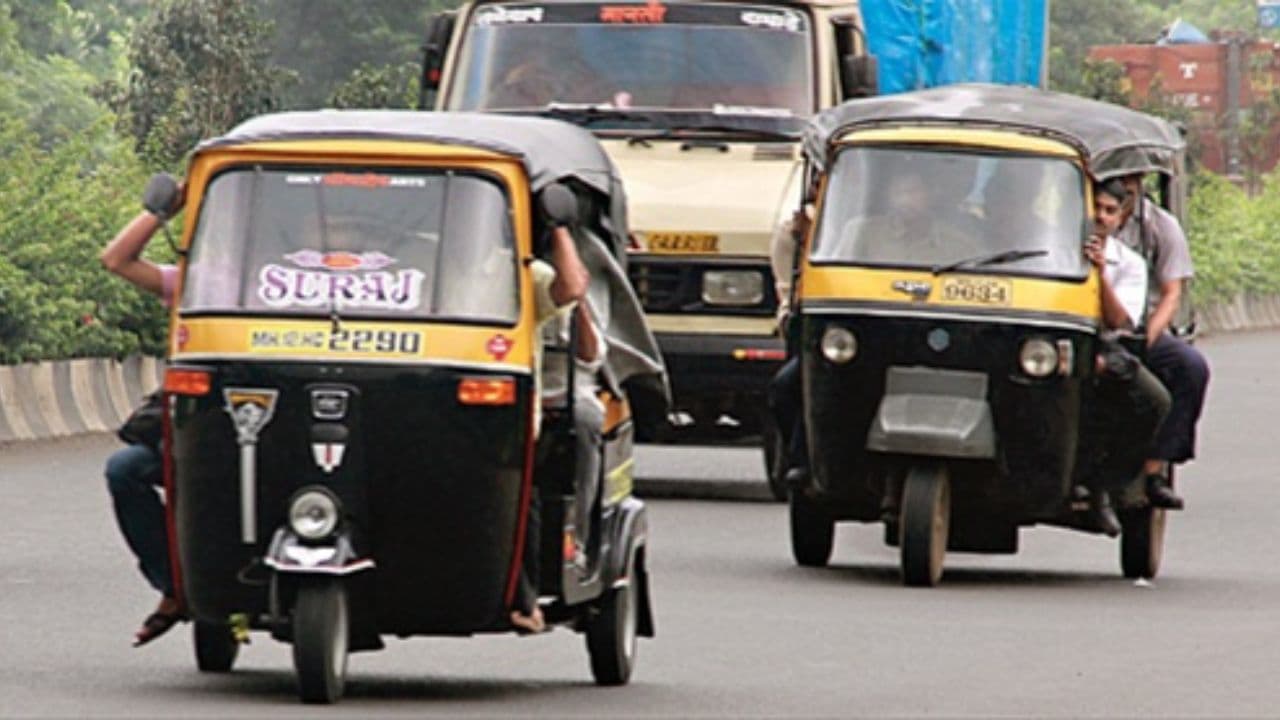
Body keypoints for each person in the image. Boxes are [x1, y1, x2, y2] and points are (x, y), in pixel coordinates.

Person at [510, 205, 603, 634]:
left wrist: (559, 228)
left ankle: (580, 539)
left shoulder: (534, 276)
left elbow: (589, 353)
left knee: (584, 417)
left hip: (551, 390)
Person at [99, 195, 183, 646]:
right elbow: (116, 259)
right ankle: (172, 586)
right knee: (125, 469)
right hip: (202, 425)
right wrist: (162, 210)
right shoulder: (200, 281)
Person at [1083, 178, 1172, 535]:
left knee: (1156, 401)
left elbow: (1120, 321)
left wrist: (1100, 274)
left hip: (1106, 346)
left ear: (1121, 219)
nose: (1102, 218)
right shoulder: (1049, 249)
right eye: (1097, 209)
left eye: (1110, 211)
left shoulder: (1130, 264)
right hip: (1048, 344)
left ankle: (1108, 487)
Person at [1115, 173, 1210, 509]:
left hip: (1141, 329)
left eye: (1128, 184)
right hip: (1087, 328)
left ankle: (1154, 468)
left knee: (1190, 368)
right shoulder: (1075, 219)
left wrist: (1147, 338)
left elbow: (1172, 293)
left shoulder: (1160, 227)